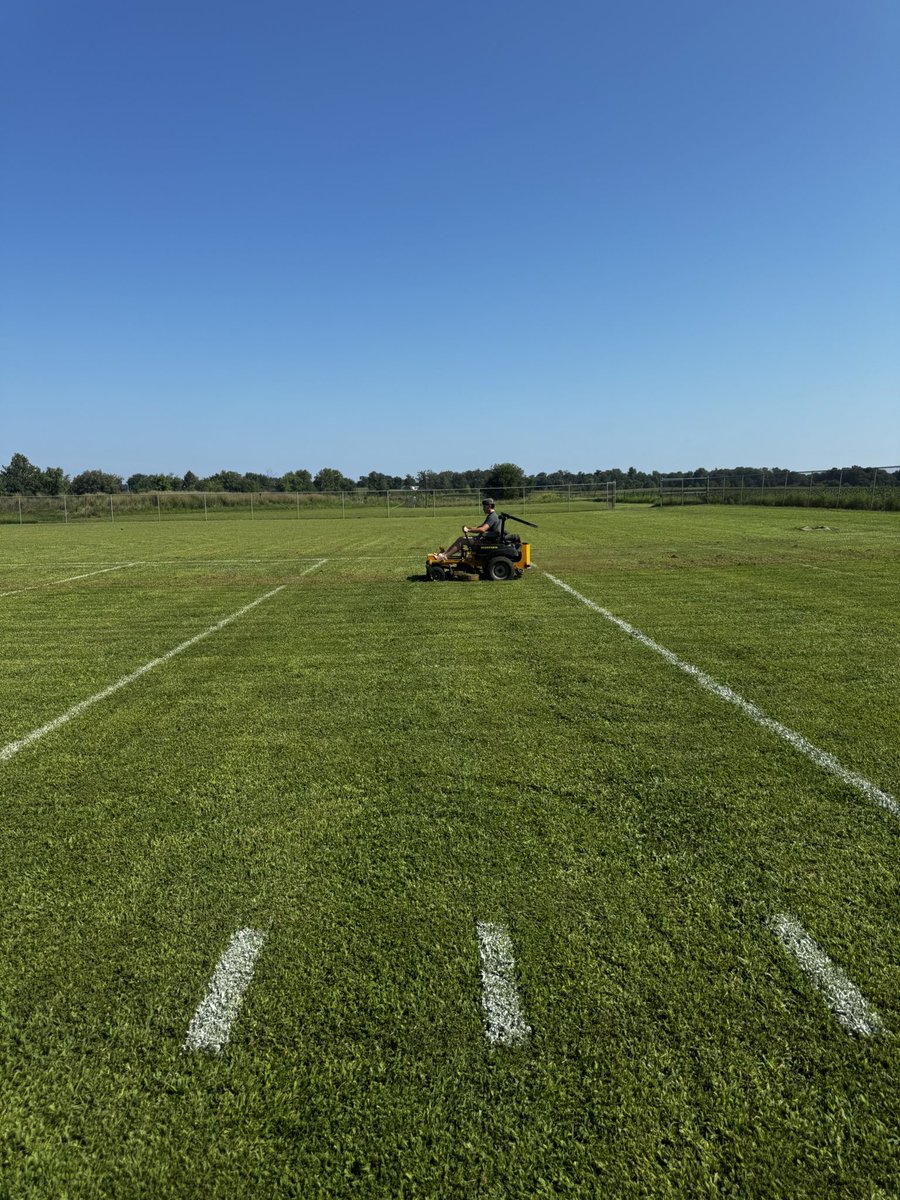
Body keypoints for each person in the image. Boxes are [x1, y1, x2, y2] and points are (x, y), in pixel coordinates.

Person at [435, 498, 501, 561]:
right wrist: (469, 527)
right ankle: (444, 554)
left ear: (489, 506)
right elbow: (480, 527)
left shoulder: (492, 517)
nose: (483, 508)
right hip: (485, 539)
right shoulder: (492, 515)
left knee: (461, 540)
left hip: (486, 542)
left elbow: (482, 529)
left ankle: (445, 556)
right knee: (461, 539)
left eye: (484, 506)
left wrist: (468, 530)